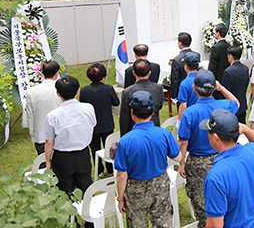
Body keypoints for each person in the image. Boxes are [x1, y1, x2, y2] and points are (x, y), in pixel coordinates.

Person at [178, 70, 240, 228]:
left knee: (202, 204)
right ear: (214, 88)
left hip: (198, 162)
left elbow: (183, 141)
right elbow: (236, 103)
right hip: (222, 156)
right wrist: (221, 88)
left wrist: (181, 162)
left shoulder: (189, 113)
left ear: (194, 88)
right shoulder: (223, 106)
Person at [115, 91, 182, 228]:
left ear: (132, 113)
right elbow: (178, 157)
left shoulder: (126, 141)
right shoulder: (164, 134)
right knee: (163, 222)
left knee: (137, 224)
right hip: (160, 184)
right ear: (152, 112)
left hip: (136, 188)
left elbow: (122, 176)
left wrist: (121, 198)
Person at [40, 76, 96, 228]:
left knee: (65, 190)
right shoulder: (88, 108)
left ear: (58, 93)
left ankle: (72, 223)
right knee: (86, 187)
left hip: (62, 157)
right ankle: (89, 222)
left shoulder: (53, 116)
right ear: (78, 91)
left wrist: (48, 161)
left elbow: (49, 141)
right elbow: (92, 125)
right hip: (83, 154)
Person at [201, 109, 254, 228]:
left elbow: (215, 225)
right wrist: (247, 130)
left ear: (215, 137)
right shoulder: (252, 151)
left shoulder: (216, 177)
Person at [80, 63, 120, 178]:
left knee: (94, 148)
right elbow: (116, 102)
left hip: (92, 125)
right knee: (109, 146)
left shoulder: (84, 90)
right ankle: (110, 168)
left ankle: (99, 170)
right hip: (107, 123)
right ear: (103, 76)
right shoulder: (108, 89)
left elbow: (83, 105)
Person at [25, 60, 62, 157]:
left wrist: (33, 133)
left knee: (44, 165)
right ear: (57, 73)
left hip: (41, 135)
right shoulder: (61, 89)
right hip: (60, 134)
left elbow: (30, 115)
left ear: (41, 72)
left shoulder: (31, 92)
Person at [120, 59, 163, 135]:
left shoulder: (127, 92)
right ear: (149, 73)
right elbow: (159, 106)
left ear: (133, 73)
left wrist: (124, 136)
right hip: (154, 127)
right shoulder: (158, 88)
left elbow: (125, 117)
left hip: (135, 130)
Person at [222, 45, 250, 124]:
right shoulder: (245, 68)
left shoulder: (228, 72)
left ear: (230, 56)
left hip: (232, 105)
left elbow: (225, 91)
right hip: (243, 104)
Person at [170, 32, 200, 103]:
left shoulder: (176, 60)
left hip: (182, 91)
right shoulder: (197, 55)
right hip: (197, 89)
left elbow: (174, 79)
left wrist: (173, 96)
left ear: (180, 43)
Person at [177, 52, 201, 119]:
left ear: (186, 66)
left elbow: (183, 106)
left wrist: (179, 122)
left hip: (192, 116)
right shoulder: (204, 77)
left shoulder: (185, 83)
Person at [208, 22, 230, 95]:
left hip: (218, 78)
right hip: (228, 77)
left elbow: (212, 66)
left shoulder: (215, 48)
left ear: (218, 33)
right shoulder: (229, 46)